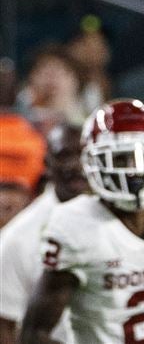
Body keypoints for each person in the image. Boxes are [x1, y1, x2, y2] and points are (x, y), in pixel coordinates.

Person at [20, 100, 144, 344]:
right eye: (120, 159)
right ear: (94, 163)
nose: (134, 170)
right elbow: (34, 334)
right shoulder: (75, 226)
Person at [0, 125, 87, 344]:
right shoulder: (18, 238)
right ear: (47, 165)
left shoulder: (126, 215)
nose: (76, 165)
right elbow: (5, 328)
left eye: (84, 154)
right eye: (64, 155)